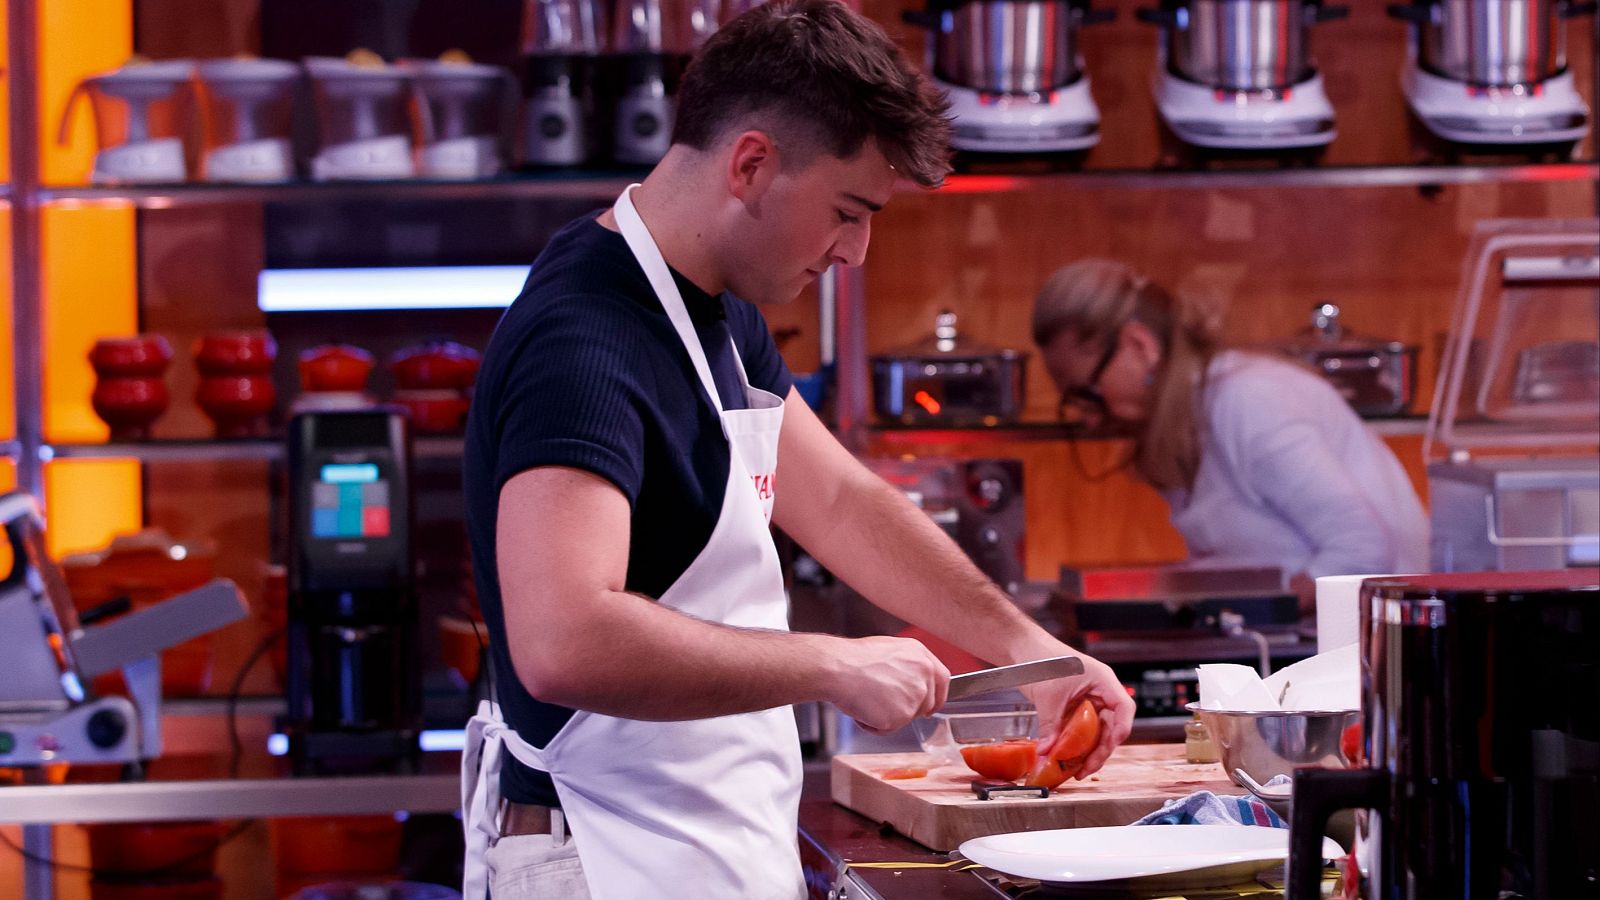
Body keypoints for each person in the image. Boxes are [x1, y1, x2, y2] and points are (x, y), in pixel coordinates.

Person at [459, 2, 1136, 898]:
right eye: (848, 212)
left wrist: (1028, 653)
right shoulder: (582, 343)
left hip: (699, 847)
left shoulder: (722, 313)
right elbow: (564, 638)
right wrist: (833, 666)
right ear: (751, 165)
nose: (856, 251)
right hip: (603, 855)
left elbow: (845, 506)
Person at [1031, 259, 1429, 605]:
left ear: (1139, 345)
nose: (1089, 418)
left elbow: (1361, 549)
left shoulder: (1249, 401)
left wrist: (1260, 611)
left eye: (1087, 391)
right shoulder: (1183, 424)